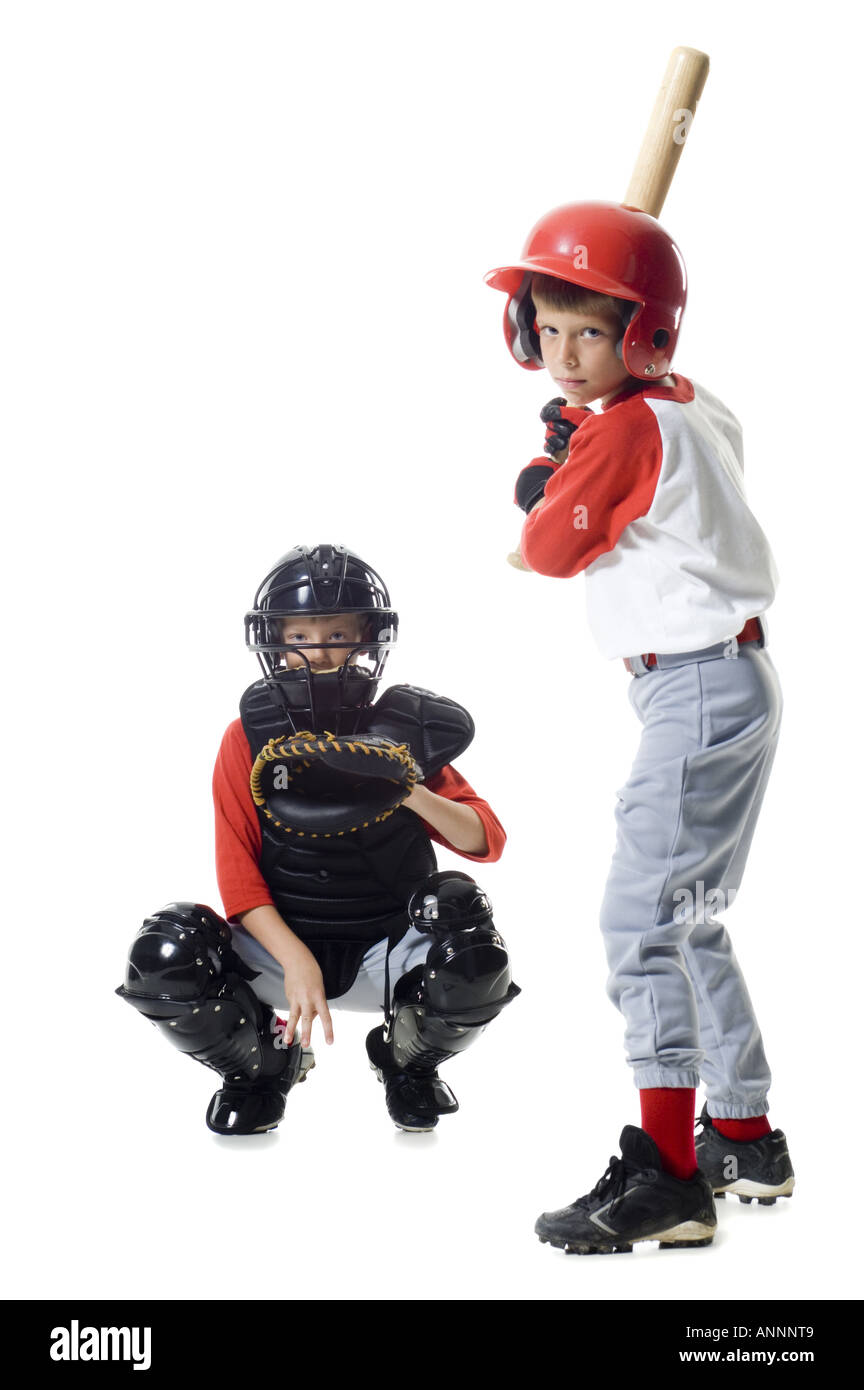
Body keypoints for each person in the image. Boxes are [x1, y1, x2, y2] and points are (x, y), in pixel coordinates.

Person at [485, 201, 793, 1254]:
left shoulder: (623, 427)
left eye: (592, 331)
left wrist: (548, 478)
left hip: (694, 690)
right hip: (733, 681)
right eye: (552, 325)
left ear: (644, 332)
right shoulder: (688, 402)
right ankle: (743, 1135)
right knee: (691, 909)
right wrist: (583, 447)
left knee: (642, 920)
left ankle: (668, 1173)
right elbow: (636, 479)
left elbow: (542, 552)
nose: (567, 355)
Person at [116, 543, 518, 1137]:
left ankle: (407, 1062)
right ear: (274, 640)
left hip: (388, 947)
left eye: (337, 632)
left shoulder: (401, 730)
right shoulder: (244, 739)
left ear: (367, 638)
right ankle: (263, 1066)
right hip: (282, 947)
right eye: (301, 633)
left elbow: (488, 840)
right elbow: (239, 877)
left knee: (469, 934)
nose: (319, 650)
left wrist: (406, 789)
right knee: (165, 954)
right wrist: (294, 957)